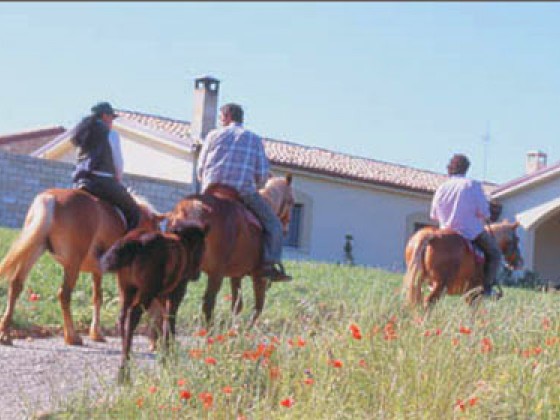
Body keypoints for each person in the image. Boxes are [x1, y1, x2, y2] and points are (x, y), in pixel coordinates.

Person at [197, 103, 291, 282]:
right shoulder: (254, 139)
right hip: (242, 194)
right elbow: (262, 176)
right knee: (275, 226)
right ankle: (268, 265)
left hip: (210, 194)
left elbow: (200, 169)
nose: (220, 120)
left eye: (220, 117)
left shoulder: (212, 135)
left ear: (226, 116)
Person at [430, 153, 501, 297]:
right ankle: (486, 289)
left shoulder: (442, 187)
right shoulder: (471, 185)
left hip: (445, 230)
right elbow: (484, 212)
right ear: (466, 169)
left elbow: (433, 215)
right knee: (495, 254)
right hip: (469, 232)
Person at [71, 102, 140, 231]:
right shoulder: (111, 134)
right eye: (111, 118)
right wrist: (118, 178)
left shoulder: (82, 133)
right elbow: (118, 161)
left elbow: (78, 160)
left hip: (82, 181)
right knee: (134, 212)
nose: (112, 121)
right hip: (104, 182)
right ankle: (124, 247)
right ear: (104, 116)